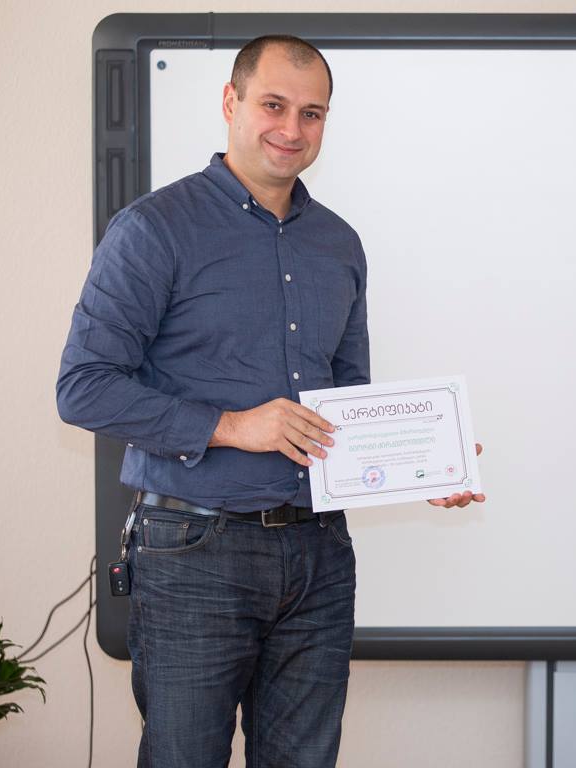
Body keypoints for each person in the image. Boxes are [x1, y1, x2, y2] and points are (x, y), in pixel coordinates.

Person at [57, 35, 482, 768]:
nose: (292, 129)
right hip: (194, 552)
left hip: (319, 555)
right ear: (231, 102)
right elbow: (83, 386)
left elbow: (345, 401)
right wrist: (231, 426)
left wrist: (424, 465)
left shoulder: (339, 244)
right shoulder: (155, 229)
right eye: (274, 106)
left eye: (311, 113)